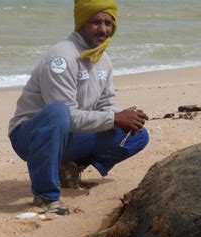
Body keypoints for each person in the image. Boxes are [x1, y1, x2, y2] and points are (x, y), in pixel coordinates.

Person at [8, 0, 149, 216]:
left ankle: (68, 166)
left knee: (137, 134)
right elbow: (66, 116)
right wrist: (114, 118)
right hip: (30, 136)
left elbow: (105, 104)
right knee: (58, 112)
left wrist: (121, 118)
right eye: (96, 22)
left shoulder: (104, 60)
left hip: (69, 134)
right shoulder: (62, 57)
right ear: (81, 22)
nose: (103, 29)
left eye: (108, 23)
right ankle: (46, 198)